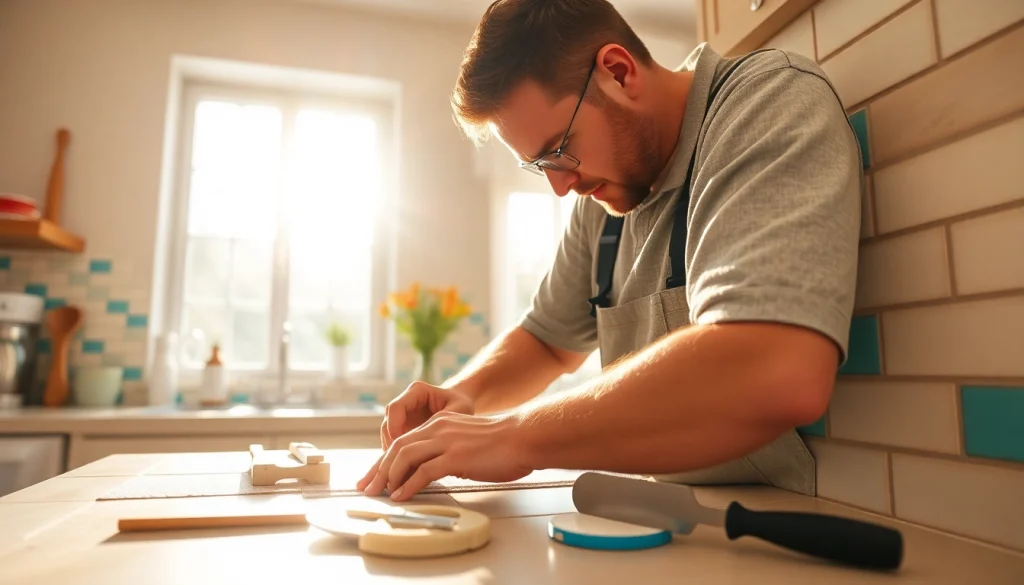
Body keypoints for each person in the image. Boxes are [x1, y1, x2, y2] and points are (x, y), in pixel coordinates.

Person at [358, 0, 862, 502]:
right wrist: (465, 396)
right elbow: (548, 341)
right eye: (540, 165)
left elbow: (778, 369)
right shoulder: (605, 196)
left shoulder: (767, 101)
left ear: (618, 72)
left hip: (771, 527)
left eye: (559, 150)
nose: (560, 186)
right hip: (662, 517)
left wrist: (513, 436)